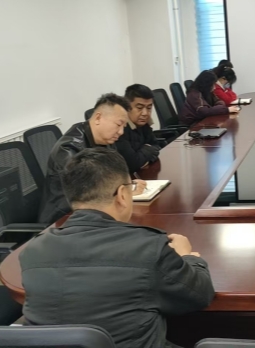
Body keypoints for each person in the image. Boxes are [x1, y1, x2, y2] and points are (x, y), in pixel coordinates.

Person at [21, 148, 215, 348]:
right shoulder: (149, 248)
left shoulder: (33, 251)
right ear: (122, 194)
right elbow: (200, 295)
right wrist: (188, 257)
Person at [38, 93, 146, 225]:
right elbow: (86, 197)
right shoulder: (69, 150)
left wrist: (128, 186)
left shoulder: (106, 140)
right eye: (119, 124)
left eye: (124, 127)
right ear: (98, 118)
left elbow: (112, 176)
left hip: (93, 215)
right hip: (63, 220)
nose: (121, 132)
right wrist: (127, 193)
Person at [115, 84, 161, 173]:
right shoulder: (119, 129)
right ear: (127, 107)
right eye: (139, 108)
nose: (145, 113)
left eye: (149, 108)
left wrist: (143, 159)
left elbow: (156, 146)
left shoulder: (143, 123)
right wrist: (147, 150)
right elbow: (132, 165)